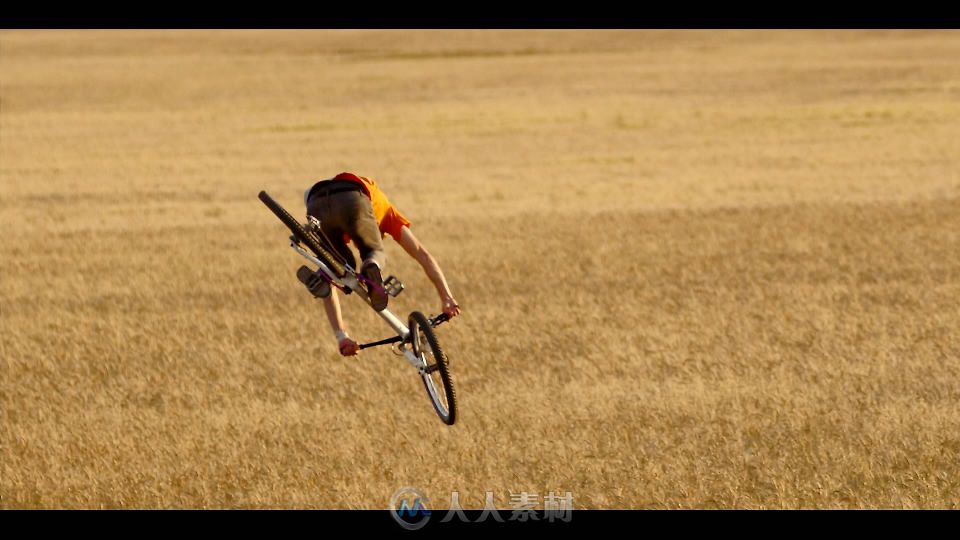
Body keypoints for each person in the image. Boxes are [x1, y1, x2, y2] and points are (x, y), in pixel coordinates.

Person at [302, 172, 460, 356]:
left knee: (337, 268)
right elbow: (422, 254)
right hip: (352, 197)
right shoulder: (386, 212)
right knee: (373, 252)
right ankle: (372, 266)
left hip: (315, 203)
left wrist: (341, 337)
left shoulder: (348, 226)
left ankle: (322, 274)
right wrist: (446, 296)